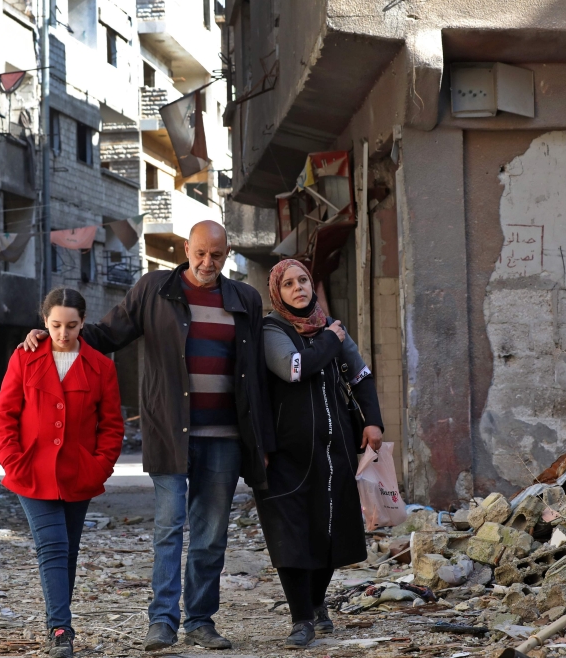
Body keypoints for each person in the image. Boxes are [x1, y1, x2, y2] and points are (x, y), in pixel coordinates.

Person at [22, 221, 274, 651]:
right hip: (169, 432)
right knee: (168, 529)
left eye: (216, 255)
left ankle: (200, 620)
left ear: (227, 253)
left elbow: (258, 374)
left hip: (226, 436)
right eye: (199, 253)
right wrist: (56, 336)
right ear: (186, 249)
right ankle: (162, 622)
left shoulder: (245, 299)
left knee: (211, 534)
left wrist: (264, 440)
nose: (206, 263)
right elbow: (104, 335)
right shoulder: (154, 289)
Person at [255, 258, 384, 649]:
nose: (299, 288)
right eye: (290, 283)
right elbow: (295, 368)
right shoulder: (272, 330)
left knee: (331, 531)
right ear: (278, 291)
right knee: (290, 537)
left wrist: (372, 421)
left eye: (304, 280)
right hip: (286, 456)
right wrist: (331, 339)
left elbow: (360, 375)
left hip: (336, 450)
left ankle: (315, 601)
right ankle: (301, 619)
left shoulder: (330, 326)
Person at [0, 288, 124, 658]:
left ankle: (58, 622)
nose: (63, 334)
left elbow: (112, 426)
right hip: (31, 474)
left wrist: (100, 466)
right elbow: (4, 415)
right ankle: (61, 630)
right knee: (51, 547)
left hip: (79, 475)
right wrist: (13, 461)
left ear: (83, 323)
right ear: (44, 322)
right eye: (54, 325)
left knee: (68, 551)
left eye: (71, 325)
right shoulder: (25, 357)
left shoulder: (102, 366)